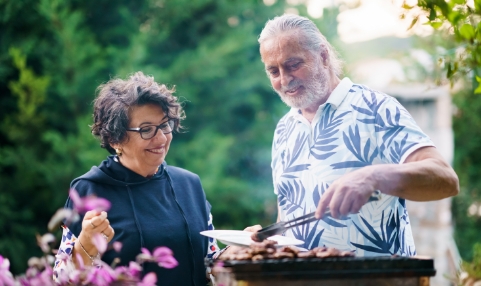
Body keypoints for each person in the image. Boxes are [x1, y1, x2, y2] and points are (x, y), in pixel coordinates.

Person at [255, 14, 459, 256]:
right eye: (273, 71)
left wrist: (373, 176)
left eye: (293, 65)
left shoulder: (376, 108)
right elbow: (288, 220)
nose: (284, 79)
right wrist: (265, 242)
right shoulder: (284, 129)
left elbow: (445, 179)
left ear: (323, 56)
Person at [53, 72, 224, 285]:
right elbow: (61, 279)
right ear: (116, 139)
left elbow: (210, 261)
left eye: (164, 125)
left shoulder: (189, 184)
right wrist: (84, 248)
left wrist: (241, 252)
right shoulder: (90, 190)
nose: (161, 138)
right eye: (146, 130)